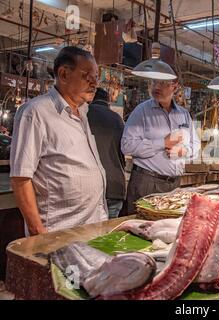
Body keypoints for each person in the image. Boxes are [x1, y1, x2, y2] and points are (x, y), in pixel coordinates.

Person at [9, 46, 107, 235]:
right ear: (63, 74)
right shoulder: (36, 112)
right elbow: (21, 178)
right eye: (88, 76)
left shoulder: (83, 113)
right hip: (58, 232)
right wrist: (38, 231)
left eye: (97, 77)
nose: (95, 83)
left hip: (91, 227)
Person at [121, 73, 201, 214]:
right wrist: (163, 142)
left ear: (174, 86)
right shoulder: (142, 111)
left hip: (174, 184)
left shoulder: (183, 114)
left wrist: (183, 152)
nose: (157, 87)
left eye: (163, 83)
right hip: (147, 182)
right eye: (154, 82)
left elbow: (196, 145)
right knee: (139, 226)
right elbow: (127, 145)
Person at [87, 88, 126, 219]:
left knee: (89, 237)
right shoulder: (117, 119)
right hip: (115, 186)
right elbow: (124, 152)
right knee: (110, 235)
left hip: (91, 190)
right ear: (108, 102)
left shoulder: (83, 115)